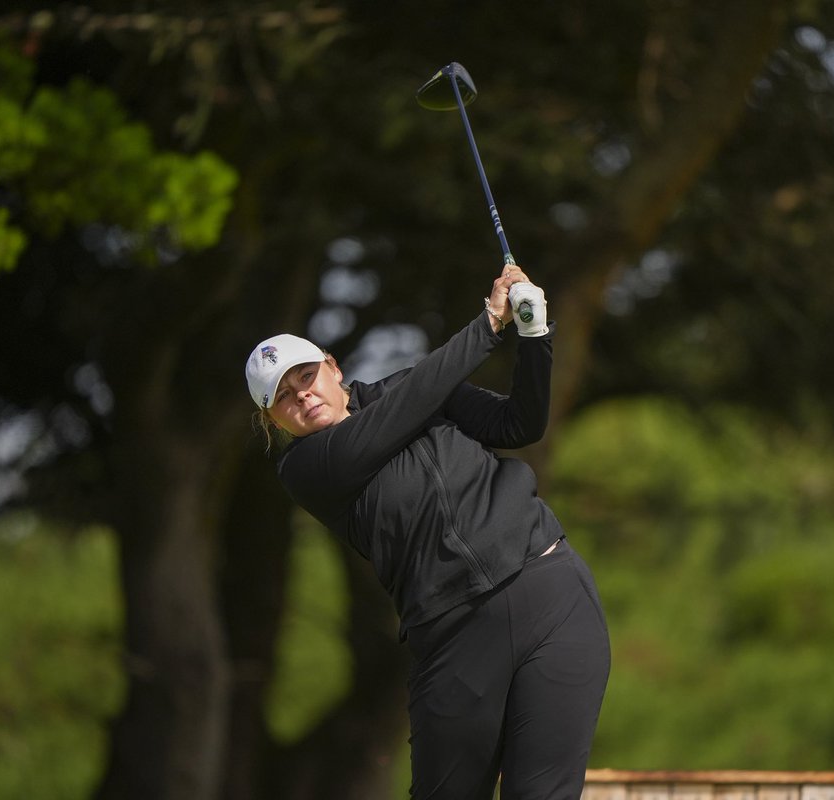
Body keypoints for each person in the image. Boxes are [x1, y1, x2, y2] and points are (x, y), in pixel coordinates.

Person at [245, 263, 610, 800]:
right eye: (281, 396)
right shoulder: (305, 469)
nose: (300, 395)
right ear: (273, 421)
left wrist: (534, 336)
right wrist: (488, 324)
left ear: (332, 367)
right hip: (454, 633)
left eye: (304, 376)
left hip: (549, 593)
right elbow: (396, 415)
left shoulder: (414, 389)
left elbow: (519, 425)